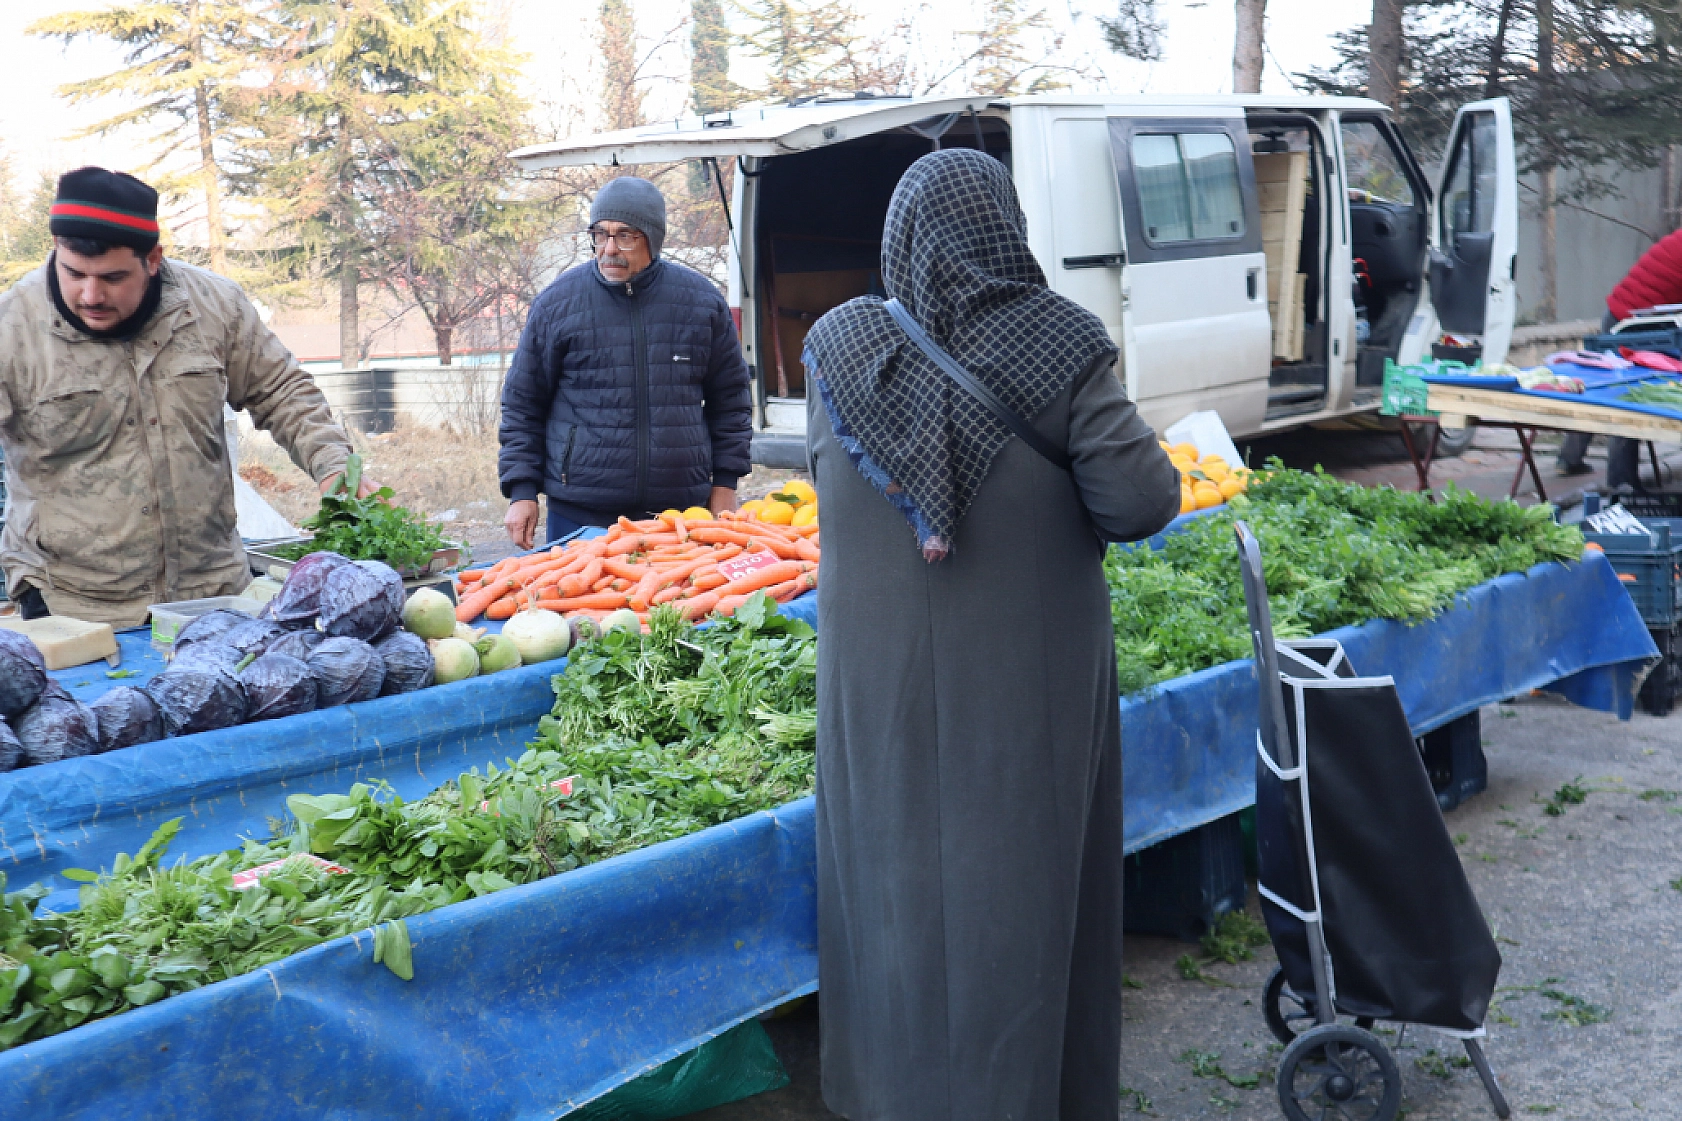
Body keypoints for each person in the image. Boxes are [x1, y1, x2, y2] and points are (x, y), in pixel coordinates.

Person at [802, 149, 1180, 1121]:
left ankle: (884, 1095)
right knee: (1014, 893)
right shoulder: (1054, 340)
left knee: (886, 894)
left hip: (874, 697)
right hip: (1024, 695)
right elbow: (1138, 502)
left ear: (899, 239)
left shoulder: (836, 344)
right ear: (1003, 228)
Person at [0, 167, 367, 628]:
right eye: (74, 273)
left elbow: (282, 390)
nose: (90, 294)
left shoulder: (215, 306)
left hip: (213, 595)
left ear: (153, 259)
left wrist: (332, 463)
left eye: (112, 277)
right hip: (72, 607)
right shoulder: (12, 328)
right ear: (56, 249)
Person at [498, 176, 753, 548]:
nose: (609, 249)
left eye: (625, 235)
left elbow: (731, 402)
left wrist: (725, 485)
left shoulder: (700, 303)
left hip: (680, 517)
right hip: (580, 517)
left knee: (678, 608)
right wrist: (522, 491)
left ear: (653, 238)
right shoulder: (558, 304)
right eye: (600, 235)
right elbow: (522, 404)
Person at [1552, 231, 1682, 480]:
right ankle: (1621, 483)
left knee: (1601, 387)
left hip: (1625, 312)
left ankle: (1568, 459)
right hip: (1630, 320)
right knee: (1629, 394)